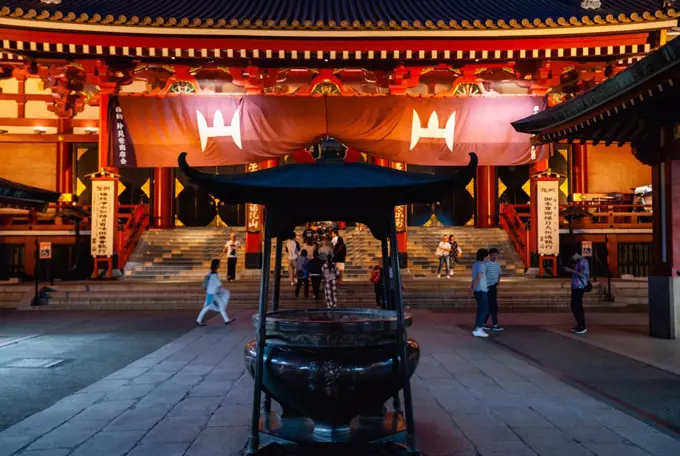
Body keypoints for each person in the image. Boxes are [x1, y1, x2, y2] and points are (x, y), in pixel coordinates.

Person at [197, 259, 234, 326]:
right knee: (207, 307)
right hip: (212, 294)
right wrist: (222, 290)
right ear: (216, 265)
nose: (220, 265)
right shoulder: (214, 274)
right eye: (219, 264)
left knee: (221, 305)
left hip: (213, 293)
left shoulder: (210, 273)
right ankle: (198, 320)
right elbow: (219, 284)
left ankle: (226, 320)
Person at [564, 247, 590, 334]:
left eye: (573, 256)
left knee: (577, 306)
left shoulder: (583, 261)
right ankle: (579, 324)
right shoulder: (579, 262)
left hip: (580, 286)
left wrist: (571, 270)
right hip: (576, 286)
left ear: (576, 253)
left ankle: (582, 325)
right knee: (574, 306)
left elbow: (583, 274)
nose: (572, 258)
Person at [469, 248, 489, 338]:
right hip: (481, 289)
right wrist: (473, 289)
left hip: (478, 290)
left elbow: (473, 278)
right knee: (484, 309)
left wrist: (472, 288)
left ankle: (478, 327)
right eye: (487, 255)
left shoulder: (475, 265)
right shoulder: (481, 265)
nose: (488, 257)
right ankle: (478, 328)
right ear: (483, 256)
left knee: (481, 309)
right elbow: (478, 277)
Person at [484, 248, 503, 331]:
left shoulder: (497, 265)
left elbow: (499, 274)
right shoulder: (486, 264)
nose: (495, 256)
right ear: (490, 255)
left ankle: (483, 323)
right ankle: (495, 324)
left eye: (496, 255)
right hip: (488, 287)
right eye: (493, 255)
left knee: (490, 306)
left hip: (494, 286)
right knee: (493, 306)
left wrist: (498, 281)